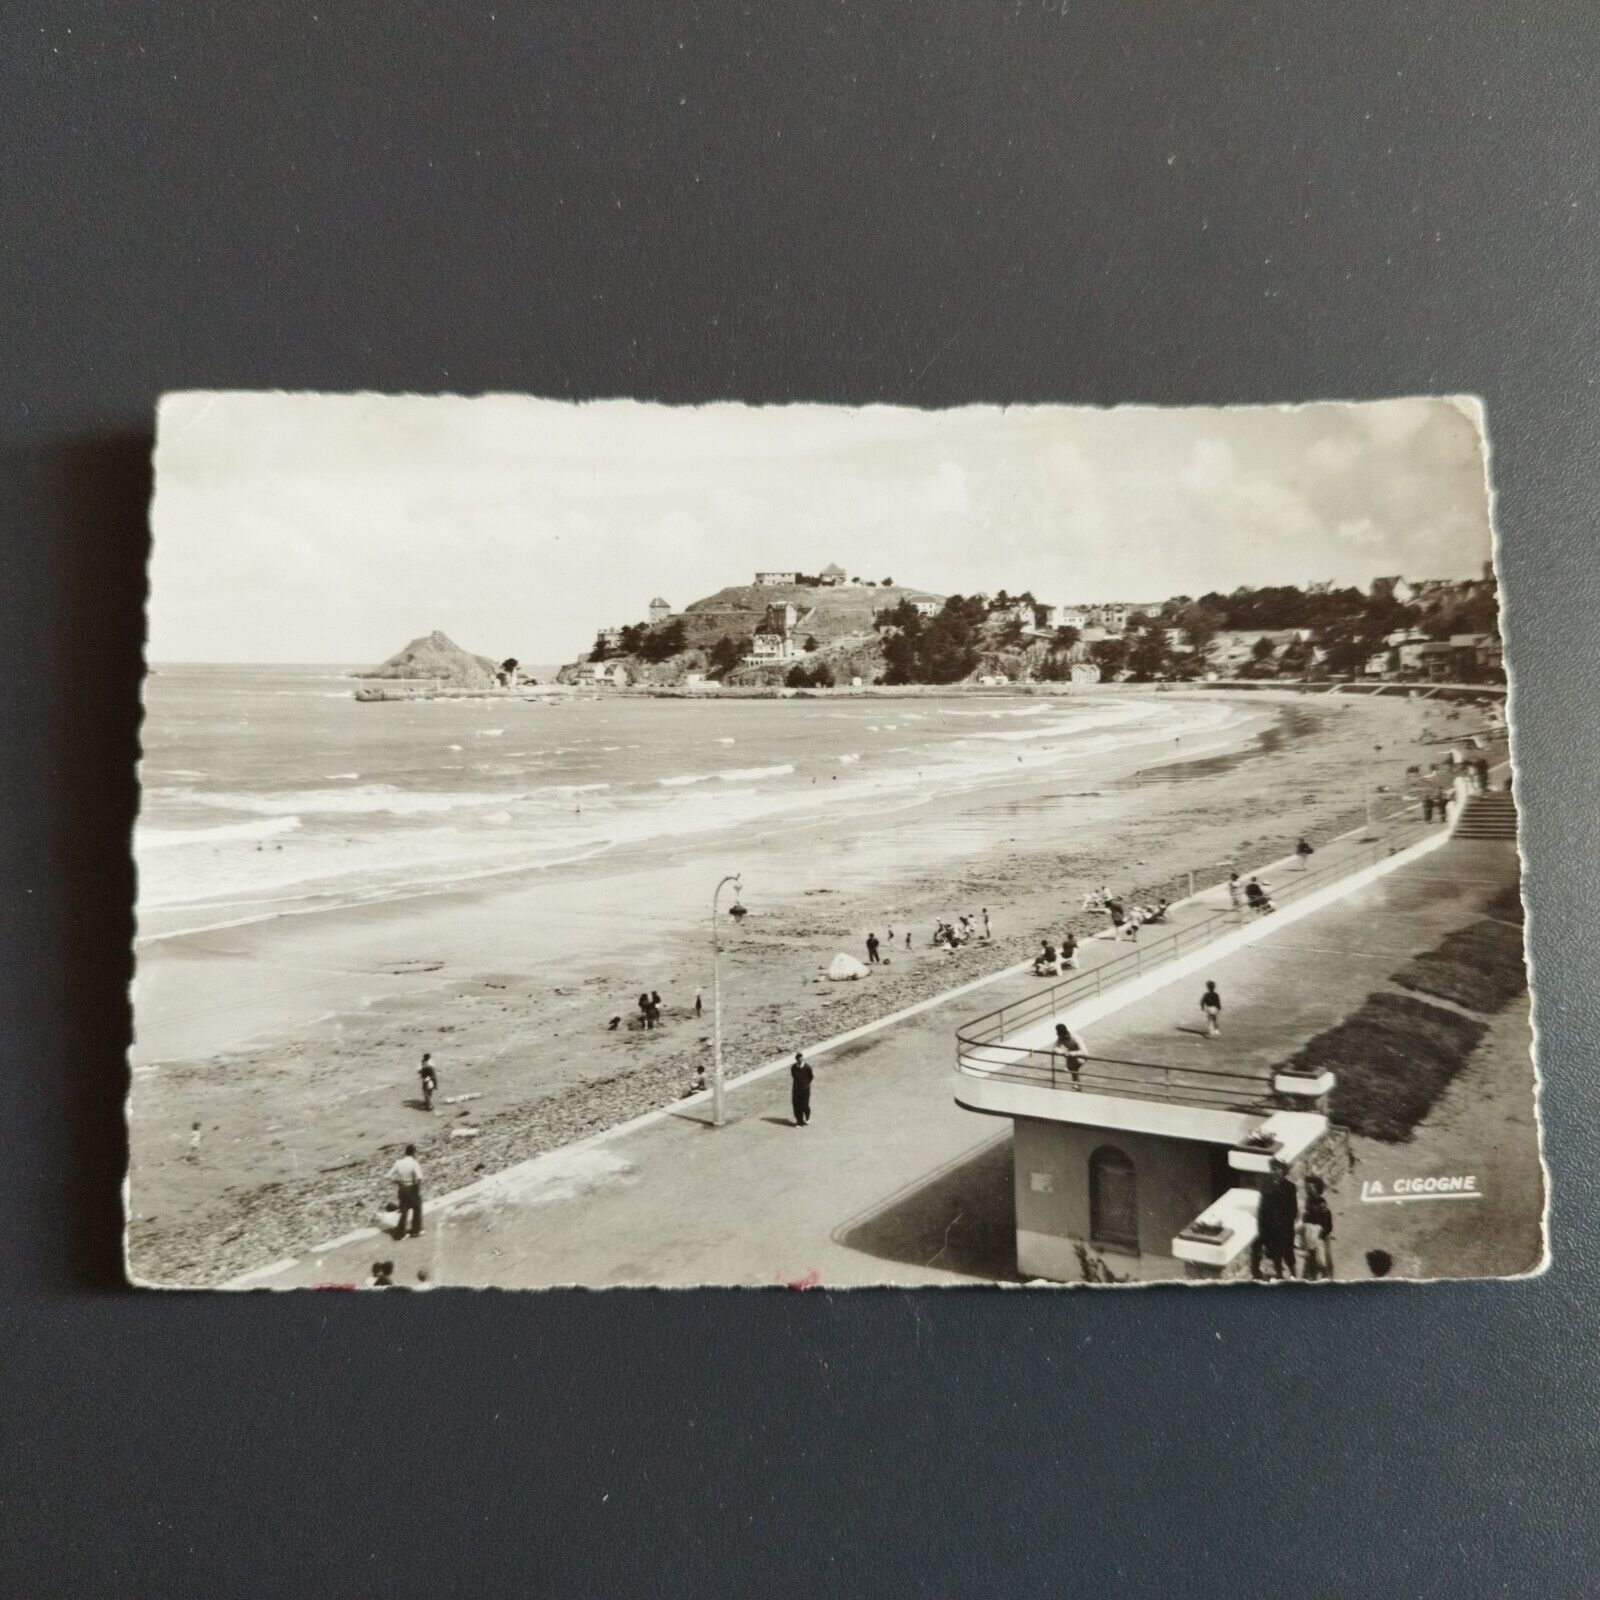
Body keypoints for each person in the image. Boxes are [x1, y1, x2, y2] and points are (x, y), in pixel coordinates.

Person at [1254, 1159, 1299, 1280]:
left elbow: (1293, 1210)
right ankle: (1280, 1278)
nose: (1273, 1172)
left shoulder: (1290, 1187)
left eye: (1276, 1169)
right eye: (1272, 1169)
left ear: (1282, 1171)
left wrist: (1283, 1223)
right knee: (1275, 1255)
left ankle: (1295, 1276)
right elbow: (1262, 1211)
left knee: (1288, 1254)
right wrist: (1263, 1230)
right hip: (1271, 1229)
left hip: (1285, 1229)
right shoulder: (1266, 1186)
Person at [1301, 1175, 1335, 1280]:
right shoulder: (1308, 1202)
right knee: (1310, 1259)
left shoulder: (1322, 1206)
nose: (1308, 1191)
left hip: (1321, 1237)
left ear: (1317, 1189)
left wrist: (1319, 1236)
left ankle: (1328, 1277)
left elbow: (1328, 1226)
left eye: (1311, 1188)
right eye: (1307, 1188)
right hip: (1311, 1237)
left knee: (1324, 1260)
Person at [390, 1144, 424, 1239]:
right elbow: (419, 1178)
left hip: (402, 1189)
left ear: (405, 1153)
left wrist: (398, 1181)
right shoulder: (414, 1163)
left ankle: (400, 1234)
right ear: (413, 1153)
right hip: (411, 1188)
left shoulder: (398, 1162)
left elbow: (388, 1176)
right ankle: (415, 1231)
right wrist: (416, 1190)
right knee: (417, 1207)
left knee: (404, 1210)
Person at [1053, 1021, 1085, 1089]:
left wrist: (1072, 1053)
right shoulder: (1061, 1037)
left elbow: (1083, 1051)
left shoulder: (1075, 1037)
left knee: (1073, 1067)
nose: (1062, 1038)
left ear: (1066, 1034)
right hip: (1071, 1056)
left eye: (1063, 1036)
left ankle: (1077, 1085)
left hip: (1082, 1055)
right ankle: (1077, 1085)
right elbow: (1055, 1048)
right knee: (1072, 1067)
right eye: (1060, 1036)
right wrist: (1063, 1052)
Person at [790, 1052, 813, 1127]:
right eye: (799, 1059)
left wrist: (806, 1084)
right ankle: (799, 1121)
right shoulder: (793, 1067)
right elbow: (793, 1075)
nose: (801, 1060)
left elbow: (811, 1077)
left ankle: (807, 1117)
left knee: (804, 1105)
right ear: (796, 1060)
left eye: (802, 1059)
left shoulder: (807, 1067)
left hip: (805, 1089)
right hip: (796, 1089)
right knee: (796, 1105)